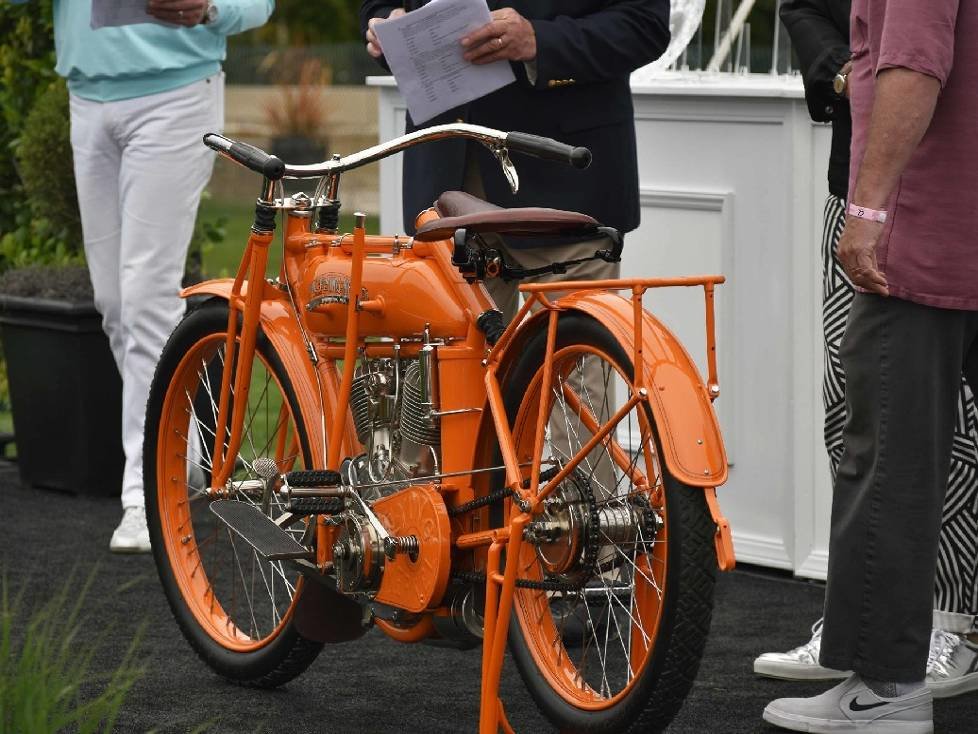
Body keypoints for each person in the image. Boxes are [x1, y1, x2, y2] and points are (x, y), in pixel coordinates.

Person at [763, 2, 978, 731]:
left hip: (924, 234)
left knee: (886, 453)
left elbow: (915, 63)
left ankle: (885, 688)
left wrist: (872, 210)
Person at [10, 0, 275, 552]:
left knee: (147, 298)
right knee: (113, 302)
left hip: (175, 100)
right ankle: (185, 457)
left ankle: (149, 492)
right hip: (86, 98)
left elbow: (258, 5)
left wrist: (207, 9)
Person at [358, 1, 670, 322]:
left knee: (564, 367)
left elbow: (644, 25)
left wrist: (539, 40)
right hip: (445, 181)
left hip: (566, 186)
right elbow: (379, 6)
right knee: (448, 367)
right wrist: (386, 22)